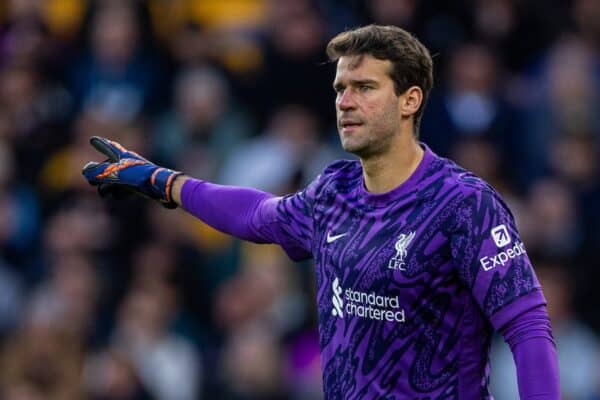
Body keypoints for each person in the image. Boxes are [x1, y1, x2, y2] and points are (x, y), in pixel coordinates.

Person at [82, 25, 560, 399]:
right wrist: (161, 180)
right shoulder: (335, 190)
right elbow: (257, 216)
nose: (345, 103)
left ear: (409, 100)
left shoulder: (463, 204)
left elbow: (527, 326)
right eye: (339, 89)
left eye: (364, 87)